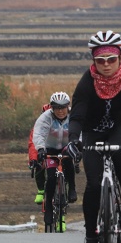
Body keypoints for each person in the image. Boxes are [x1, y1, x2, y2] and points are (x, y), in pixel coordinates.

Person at [66, 30, 121, 243]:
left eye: (111, 59)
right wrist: (73, 139)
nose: (106, 65)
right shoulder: (86, 83)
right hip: (92, 132)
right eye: (100, 61)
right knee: (92, 184)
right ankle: (91, 237)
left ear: (120, 58)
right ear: (94, 61)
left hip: (117, 129)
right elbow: (77, 114)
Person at [32, 92, 77, 231]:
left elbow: (81, 132)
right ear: (51, 108)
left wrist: (78, 146)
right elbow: (38, 133)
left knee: (69, 163)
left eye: (63, 107)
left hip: (66, 147)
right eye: (56, 108)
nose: (60, 111)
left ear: (68, 107)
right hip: (50, 149)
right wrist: (40, 149)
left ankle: (72, 189)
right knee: (51, 177)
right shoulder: (46, 117)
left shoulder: (73, 116)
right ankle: (50, 208)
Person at [28, 102, 51, 205]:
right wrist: (33, 159)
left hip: (58, 149)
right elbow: (33, 143)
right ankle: (41, 190)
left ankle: (67, 190)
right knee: (39, 164)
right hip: (43, 149)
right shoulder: (38, 127)